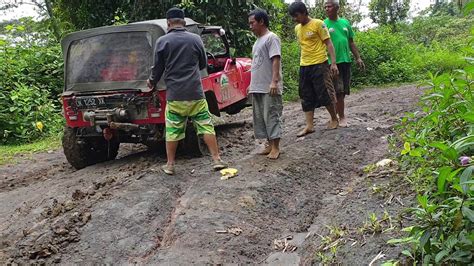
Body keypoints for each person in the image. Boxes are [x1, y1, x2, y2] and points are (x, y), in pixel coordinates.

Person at [147, 7, 227, 175]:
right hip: (195, 93)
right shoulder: (195, 39)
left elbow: (157, 68)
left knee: (173, 130)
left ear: (169, 23)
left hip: (175, 95)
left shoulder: (163, 42)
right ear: (183, 22)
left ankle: (170, 165)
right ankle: (217, 160)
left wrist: (152, 82)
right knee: (206, 126)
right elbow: (203, 63)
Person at [288, 1, 340, 137]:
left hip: (320, 64)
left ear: (305, 12)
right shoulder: (297, 28)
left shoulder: (318, 24)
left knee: (325, 92)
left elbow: (329, 44)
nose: (295, 19)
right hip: (304, 65)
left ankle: (334, 118)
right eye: (293, 16)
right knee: (305, 94)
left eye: (296, 15)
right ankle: (309, 125)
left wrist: (333, 63)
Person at [248, 9, 283, 159]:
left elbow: (276, 59)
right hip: (258, 86)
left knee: (272, 115)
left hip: (269, 86)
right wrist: (251, 84)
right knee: (261, 117)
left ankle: (276, 147)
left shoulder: (271, 38)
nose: (250, 26)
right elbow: (256, 64)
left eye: (252, 23)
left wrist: (274, 81)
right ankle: (269, 144)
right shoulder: (257, 42)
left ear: (261, 21)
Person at [324, 0, 365, 127]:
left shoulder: (345, 23)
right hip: (332, 63)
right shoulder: (323, 24)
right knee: (338, 91)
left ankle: (336, 116)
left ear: (337, 7)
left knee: (343, 91)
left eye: (329, 6)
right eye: (325, 7)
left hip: (346, 61)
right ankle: (341, 117)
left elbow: (351, 42)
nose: (326, 9)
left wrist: (358, 57)